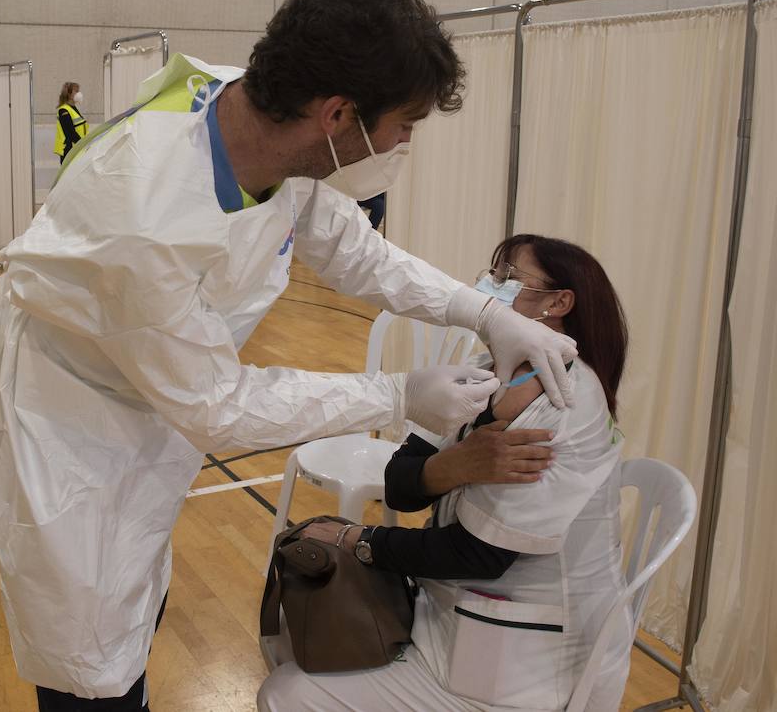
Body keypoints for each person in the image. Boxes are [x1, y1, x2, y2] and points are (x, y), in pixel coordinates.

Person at [0, 0, 578, 708]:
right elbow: (218, 403)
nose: (405, 142)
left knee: (133, 606)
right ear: (340, 115)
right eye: (403, 125)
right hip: (72, 428)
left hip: (144, 401)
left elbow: (354, 249)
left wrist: (484, 313)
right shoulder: (145, 218)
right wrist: (396, 392)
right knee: (88, 656)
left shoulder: (255, 116)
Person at [258, 234, 630, 712]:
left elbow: (480, 555)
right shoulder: (484, 370)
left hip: (526, 666)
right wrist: (454, 465)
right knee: (298, 641)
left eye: (506, 278)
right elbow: (399, 486)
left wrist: (359, 540)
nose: (487, 287)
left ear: (559, 302)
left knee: (285, 695)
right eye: (491, 274)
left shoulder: (563, 405)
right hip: (455, 617)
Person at [54, 81, 91, 162]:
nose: (79, 93)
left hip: (76, 148)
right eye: (76, 91)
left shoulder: (72, 108)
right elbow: (70, 133)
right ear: (69, 94)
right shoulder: (64, 110)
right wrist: (83, 144)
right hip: (69, 150)